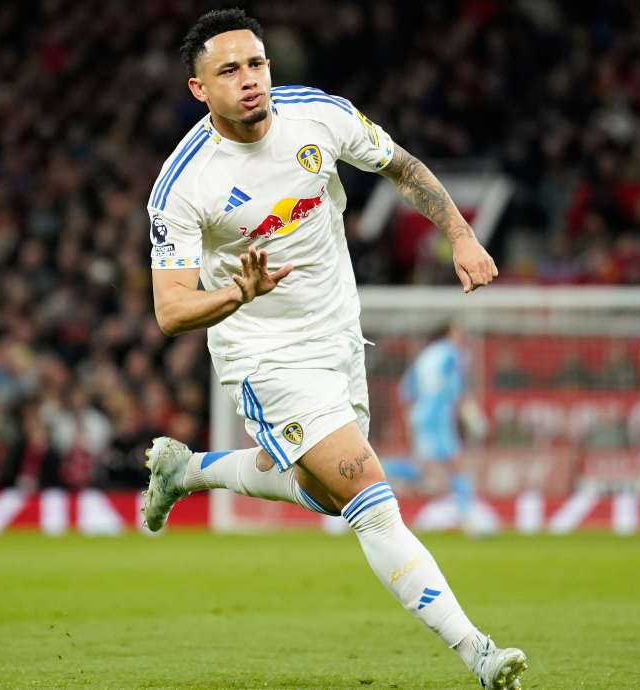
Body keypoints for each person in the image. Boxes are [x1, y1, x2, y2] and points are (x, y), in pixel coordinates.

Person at [139, 10, 526, 688]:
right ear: (199, 90)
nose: (249, 80)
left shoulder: (317, 117)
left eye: (255, 63)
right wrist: (236, 294)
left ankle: (187, 471)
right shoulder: (184, 184)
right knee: (368, 496)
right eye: (228, 71)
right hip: (265, 354)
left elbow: (401, 166)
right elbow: (171, 310)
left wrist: (460, 235)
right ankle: (480, 653)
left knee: (328, 496)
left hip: (339, 335)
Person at [399, 321, 488, 534]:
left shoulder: (425, 355)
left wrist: (411, 416)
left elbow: (405, 389)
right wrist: (473, 418)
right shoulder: (451, 354)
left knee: (425, 470)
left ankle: (374, 474)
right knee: (454, 466)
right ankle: (469, 518)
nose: (463, 337)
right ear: (449, 333)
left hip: (420, 415)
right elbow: (455, 390)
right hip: (437, 417)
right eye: (459, 332)